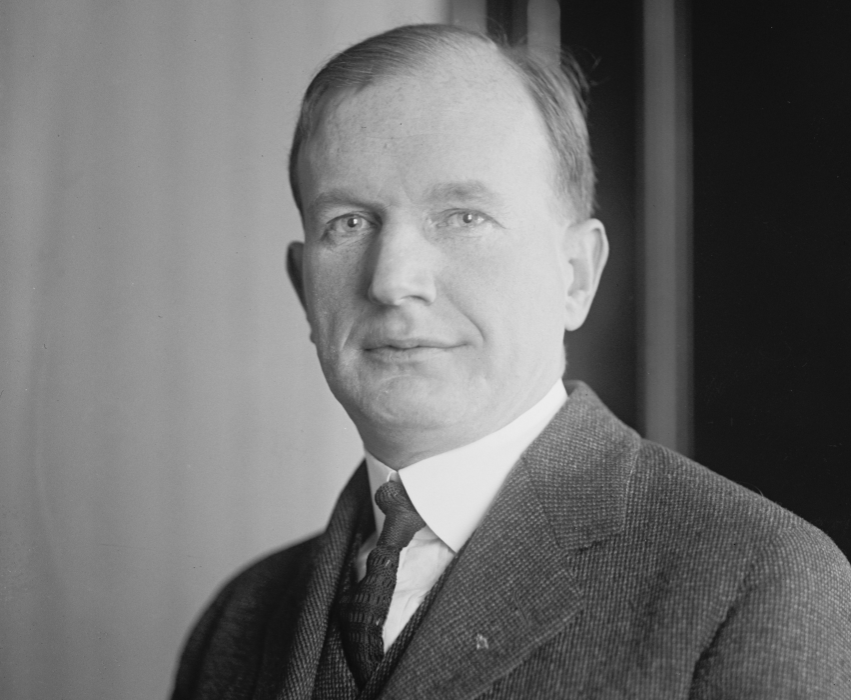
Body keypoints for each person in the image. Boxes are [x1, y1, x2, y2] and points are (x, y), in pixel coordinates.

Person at [170, 24, 851, 699]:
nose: (392, 281)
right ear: (303, 290)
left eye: (463, 216)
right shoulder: (238, 621)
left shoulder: (755, 581)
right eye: (348, 223)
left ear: (575, 275)